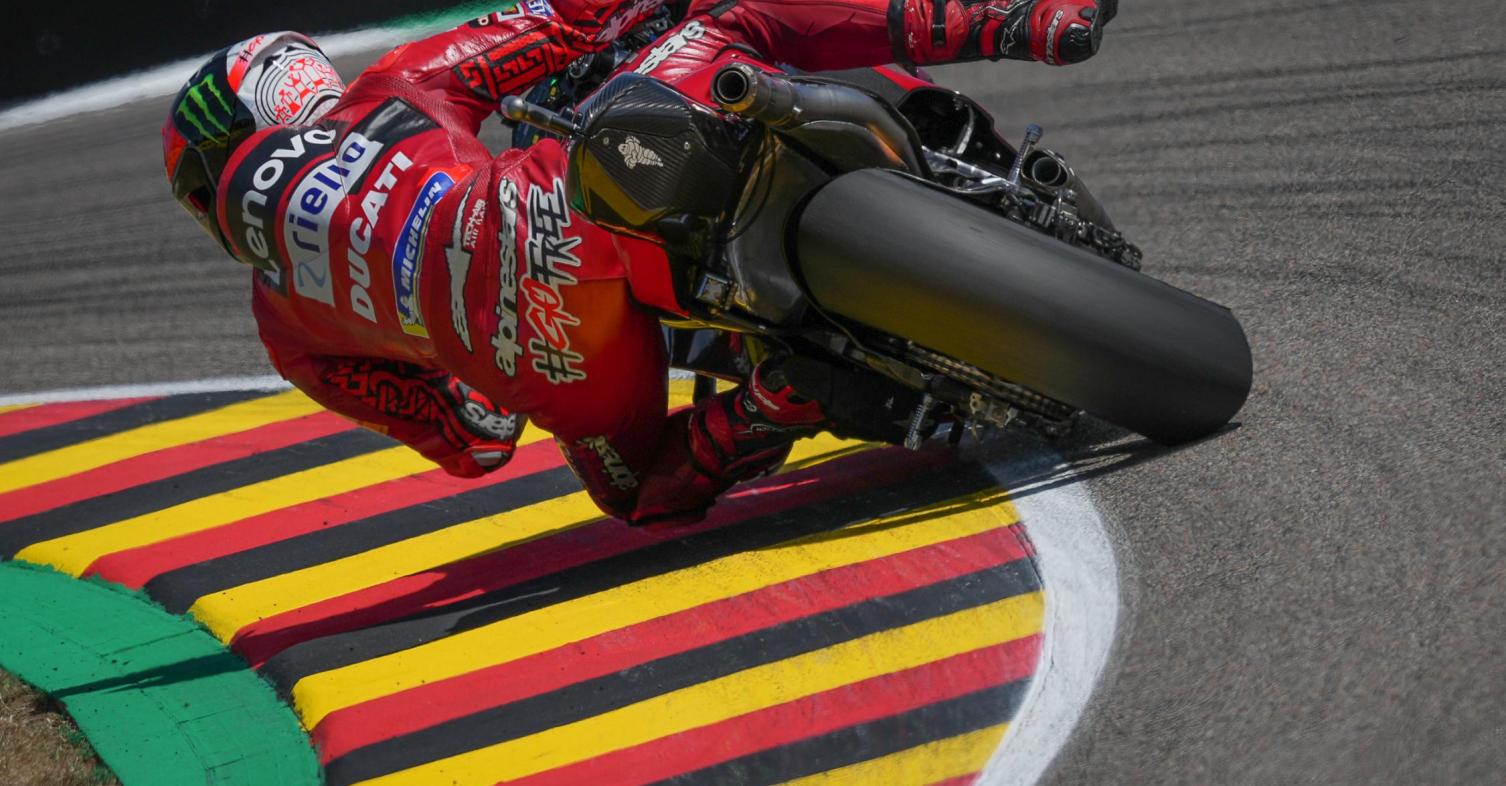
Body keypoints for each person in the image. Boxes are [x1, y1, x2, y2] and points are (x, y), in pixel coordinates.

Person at [161, 0, 1113, 525]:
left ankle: (767, 402)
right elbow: (562, 25)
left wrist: (436, 314)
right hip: (561, 201)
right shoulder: (390, 87)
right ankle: (1017, 19)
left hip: (551, 355)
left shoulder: (284, 333)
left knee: (635, 488)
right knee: (743, 17)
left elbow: (479, 441)